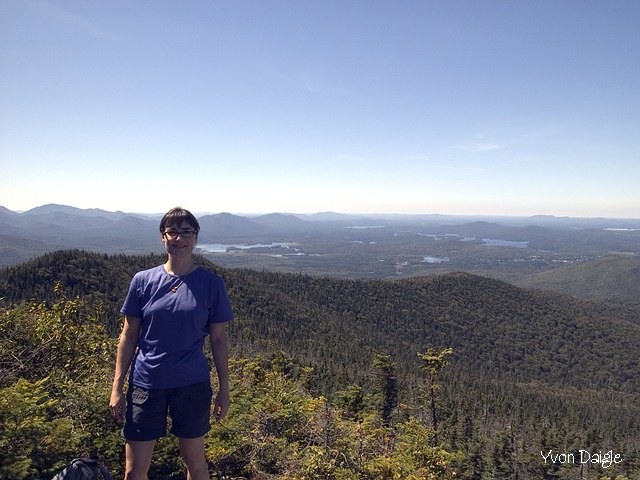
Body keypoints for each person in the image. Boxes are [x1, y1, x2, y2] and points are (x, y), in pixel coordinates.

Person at [109, 207, 233, 480]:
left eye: (186, 232)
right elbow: (128, 335)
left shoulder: (211, 284)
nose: (179, 238)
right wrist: (117, 386)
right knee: (134, 471)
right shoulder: (143, 281)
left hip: (192, 384)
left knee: (195, 463)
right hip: (146, 384)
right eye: (172, 232)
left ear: (195, 237)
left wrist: (224, 389)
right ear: (162, 237)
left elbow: (218, 339)